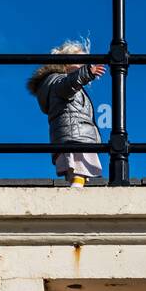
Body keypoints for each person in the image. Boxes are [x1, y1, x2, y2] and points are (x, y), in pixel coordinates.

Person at [27, 41, 106, 187]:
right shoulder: (58, 80)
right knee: (79, 170)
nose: (85, 64)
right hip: (74, 137)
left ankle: (76, 188)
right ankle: (75, 193)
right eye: (81, 60)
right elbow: (67, 86)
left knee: (78, 172)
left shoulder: (56, 82)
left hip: (70, 135)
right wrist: (87, 73)